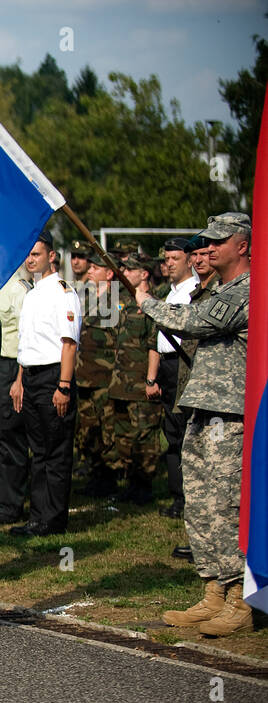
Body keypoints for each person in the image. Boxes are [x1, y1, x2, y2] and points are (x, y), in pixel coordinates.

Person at [136, 212, 253, 637]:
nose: (210, 248)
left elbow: (194, 323)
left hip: (231, 413)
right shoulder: (217, 289)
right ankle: (213, 592)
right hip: (203, 407)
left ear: (242, 245)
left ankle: (241, 598)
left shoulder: (247, 288)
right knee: (200, 503)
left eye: (220, 241)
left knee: (225, 505)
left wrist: (146, 301)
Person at [10, 231, 82, 536]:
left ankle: (53, 520)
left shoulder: (63, 292)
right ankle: (36, 517)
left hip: (55, 375)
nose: (30, 260)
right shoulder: (32, 293)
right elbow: (26, 343)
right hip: (31, 377)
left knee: (56, 450)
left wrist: (63, 386)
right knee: (37, 451)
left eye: (36, 254)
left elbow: (69, 342)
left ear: (52, 256)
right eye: (28, 255)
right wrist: (19, 381)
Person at [105, 253, 163, 504]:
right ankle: (130, 482)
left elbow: (154, 345)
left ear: (145, 274)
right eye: (124, 269)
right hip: (120, 382)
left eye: (130, 270)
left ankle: (144, 486)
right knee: (124, 437)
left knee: (145, 437)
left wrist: (150, 380)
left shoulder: (153, 304)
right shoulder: (124, 302)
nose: (124, 273)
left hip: (140, 382)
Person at [157, 238, 199, 518]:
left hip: (182, 365)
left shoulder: (193, 292)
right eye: (166, 259)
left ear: (189, 260)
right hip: (166, 366)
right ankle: (177, 496)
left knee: (185, 432)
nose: (169, 263)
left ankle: (189, 497)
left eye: (175, 258)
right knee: (172, 433)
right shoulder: (170, 293)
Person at [74, 249, 119, 498]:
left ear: (109, 272)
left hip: (106, 378)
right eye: (89, 267)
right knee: (88, 430)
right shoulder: (84, 297)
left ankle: (111, 480)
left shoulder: (117, 300)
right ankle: (95, 476)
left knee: (108, 431)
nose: (89, 270)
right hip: (84, 375)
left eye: (95, 267)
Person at [0, 268, 32, 523]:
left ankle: (12, 503)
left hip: (13, 364)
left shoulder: (19, 289)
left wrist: (19, 378)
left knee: (11, 435)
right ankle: (0, 499)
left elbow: (27, 334)